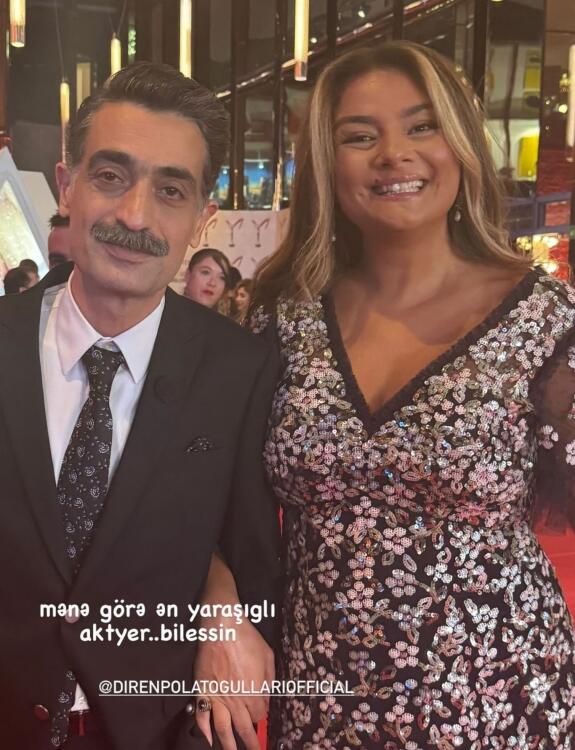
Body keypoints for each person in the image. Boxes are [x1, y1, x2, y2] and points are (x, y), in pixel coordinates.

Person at [196, 41, 575, 748]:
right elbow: (201, 493)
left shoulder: (547, 320)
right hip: (323, 701)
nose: (394, 154)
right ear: (327, 162)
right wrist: (218, 608)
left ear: (459, 144)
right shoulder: (282, 317)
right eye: (359, 136)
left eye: (421, 126)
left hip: (500, 698)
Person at [0, 61, 281, 750]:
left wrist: (224, 606)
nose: (134, 215)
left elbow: (252, 563)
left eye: (170, 191)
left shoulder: (238, 372)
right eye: (110, 176)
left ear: (202, 218)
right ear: (67, 184)